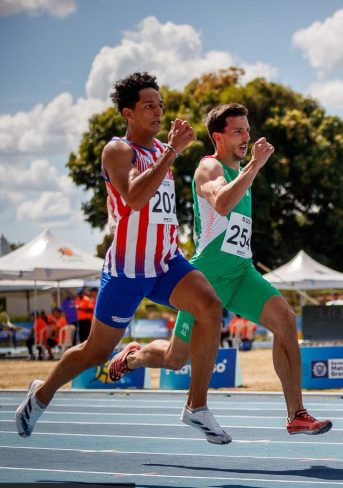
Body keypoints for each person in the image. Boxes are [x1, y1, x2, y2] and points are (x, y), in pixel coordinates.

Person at [15, 72, 227, 443]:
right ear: (128, 113)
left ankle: (196, 406)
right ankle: (41, 395)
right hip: (128, 270)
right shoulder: (118, 150)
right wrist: (172, 152)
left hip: (166, 262)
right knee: (95, 352)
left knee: (210, 307)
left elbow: (159, 208)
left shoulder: (161, 150)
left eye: (160, 105)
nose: (158, 111)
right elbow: (132, 197)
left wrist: (169, 154)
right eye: (149, 106)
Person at [108, 103, 331, 435]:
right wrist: (255, 164)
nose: (246, 137)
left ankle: (296, 414)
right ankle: (131, 358)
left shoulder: (243, 171)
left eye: (247, 130)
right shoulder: (207, 169)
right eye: (238, 131)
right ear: (218, 137)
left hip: (241, 273)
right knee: (174, 358)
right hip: (207, 278)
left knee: (285, 320)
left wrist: (250, 168)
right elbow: (223, 203)